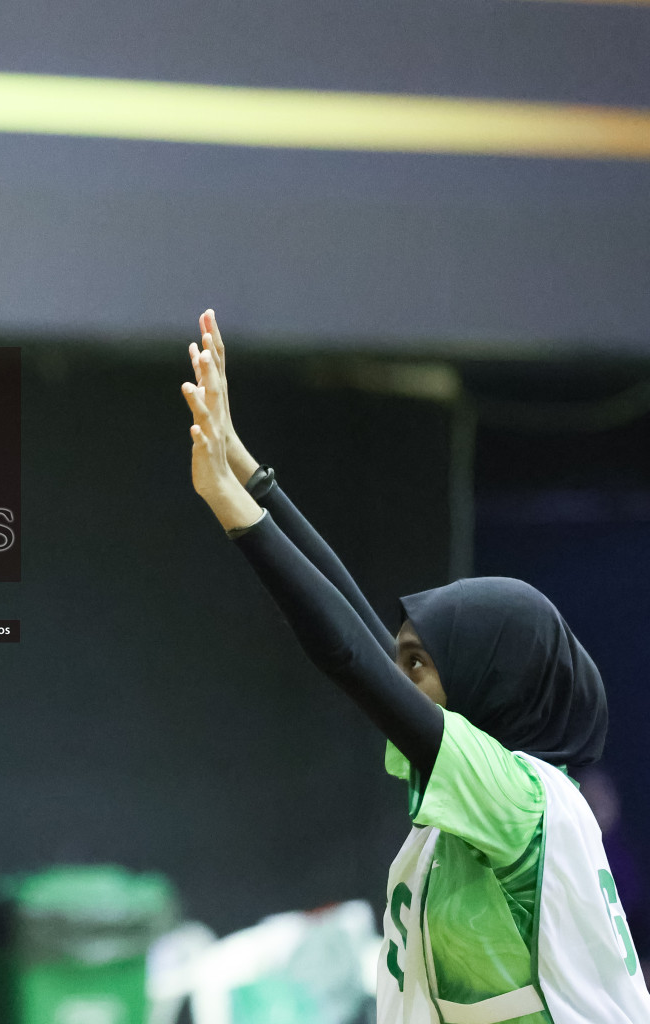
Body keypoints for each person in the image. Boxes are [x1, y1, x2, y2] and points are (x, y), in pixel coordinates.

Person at [179, 310, 650, 1024]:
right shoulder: (484, 793)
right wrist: (252, 474)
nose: (397, 678)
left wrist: (229, 508)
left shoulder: (516, 797)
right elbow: (358, 635)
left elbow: (346, 654)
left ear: (489, 680)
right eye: (400, 662)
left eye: (419, 664)